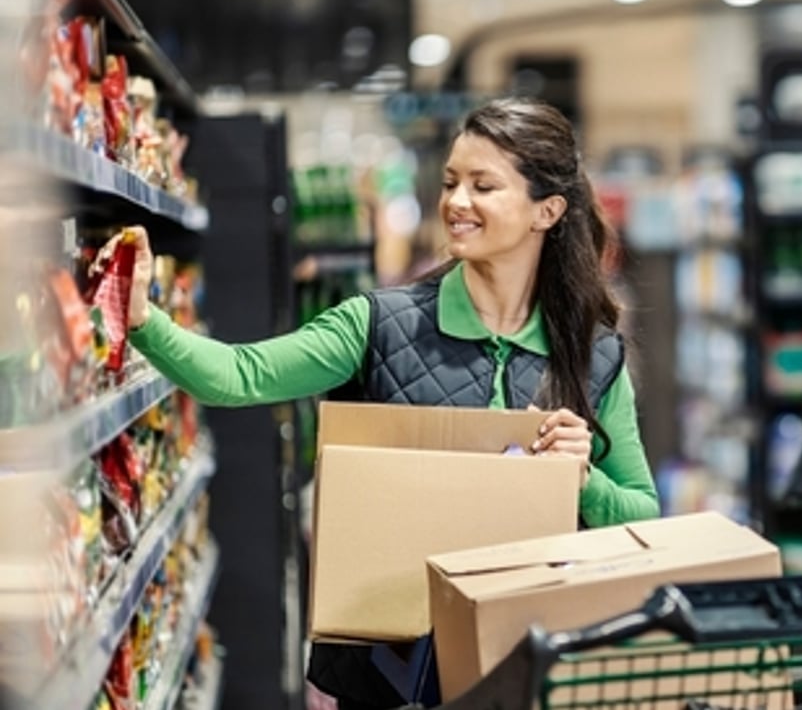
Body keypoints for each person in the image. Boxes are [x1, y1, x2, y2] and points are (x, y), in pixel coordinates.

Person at [103, 98, 661, 710]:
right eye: (451, 182)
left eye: (484, 186)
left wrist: (581, 478)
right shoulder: (380, 325)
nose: (456, 202)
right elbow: (240, 375)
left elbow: (642, 516)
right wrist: (144, 321)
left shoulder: (591, 355)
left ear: (546, 211)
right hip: (391, 676)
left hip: (529, 670)